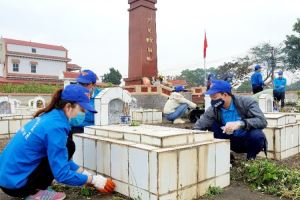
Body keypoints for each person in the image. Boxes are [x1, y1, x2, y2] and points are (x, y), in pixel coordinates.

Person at [0, 84, 115, 199]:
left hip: (7, 179)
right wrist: (94, 180)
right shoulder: (56, 127)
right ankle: (34, 193)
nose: (84, 115)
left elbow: (60, 158)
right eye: (82, 110)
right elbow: (62, 174)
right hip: (17, 186)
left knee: (67, 146)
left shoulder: (50, 117)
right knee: (69, 146)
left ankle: (35, 187)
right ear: (68, 106)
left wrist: (86, 175)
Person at [194, 80, 267, 160]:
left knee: (257, 135)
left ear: (225, 95)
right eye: (211, 97)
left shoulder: (246, 102)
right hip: (228, 140)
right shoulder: (213, 110)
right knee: (212, 125)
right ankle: (226, 155)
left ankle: (251, 158)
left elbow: (262, 121)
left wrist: (240, 124)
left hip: (246, 139)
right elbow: (199, 126)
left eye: (214, 97)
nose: (212, 101)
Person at [71, 69, 101, 133]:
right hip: (74, 128)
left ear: (94, 85)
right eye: (80, 83)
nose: (81, 87)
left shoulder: (101, 97)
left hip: (93, 130)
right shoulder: (72, 94)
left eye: (85, 84)